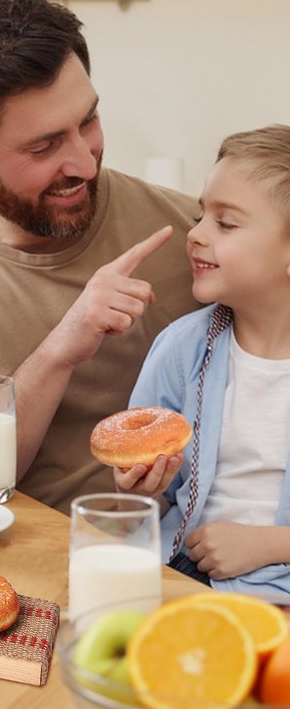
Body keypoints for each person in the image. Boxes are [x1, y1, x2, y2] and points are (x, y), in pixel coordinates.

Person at [0, 0, 199, 513]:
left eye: (88, 122)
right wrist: (61, 348)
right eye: (44, 146)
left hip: (178, 566)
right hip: (15, 569)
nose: (84, 163)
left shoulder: (192, 233)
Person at [115, 124, 290, 596]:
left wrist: (271, 545)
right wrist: (139, 486)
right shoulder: (182, 350)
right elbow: (142, 498)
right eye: (200, 216)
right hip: (184, 574)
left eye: (226, 223)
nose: (196, 235)